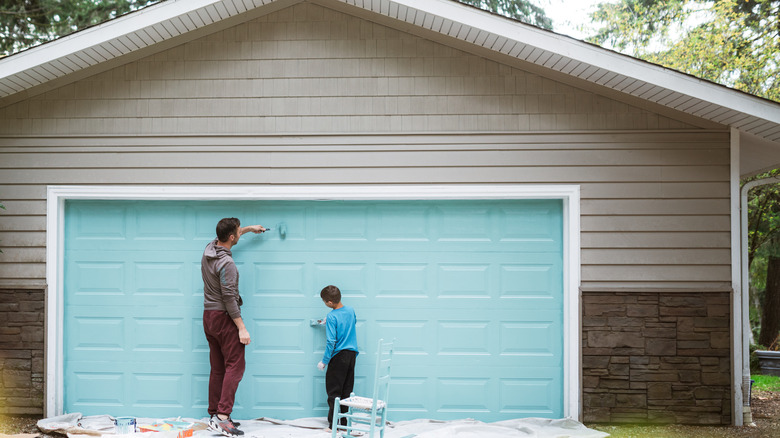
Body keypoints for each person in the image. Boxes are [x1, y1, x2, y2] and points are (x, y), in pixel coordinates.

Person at [202, 217, 266, 437]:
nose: (240, 233)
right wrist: (241, 327)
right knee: (236, 367)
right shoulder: (227, 264)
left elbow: (225, 236)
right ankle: (222, 418)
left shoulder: (209, 250)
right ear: (232, 237)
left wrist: (249, 229)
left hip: (208, 317)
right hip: (223, 317)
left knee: (218, 367)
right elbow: (229, 298)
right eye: (238, 232)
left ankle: (214, 414)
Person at [317, 285, 359, 429]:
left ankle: (333, 425)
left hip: (338, 357)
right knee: (347, 390)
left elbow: (331, 342)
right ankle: (345, 423)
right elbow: (351, 323)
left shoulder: (331, 316)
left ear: (329, 302)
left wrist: (324, 361)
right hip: (351, 355)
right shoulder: (351, 310)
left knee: (334, 392)